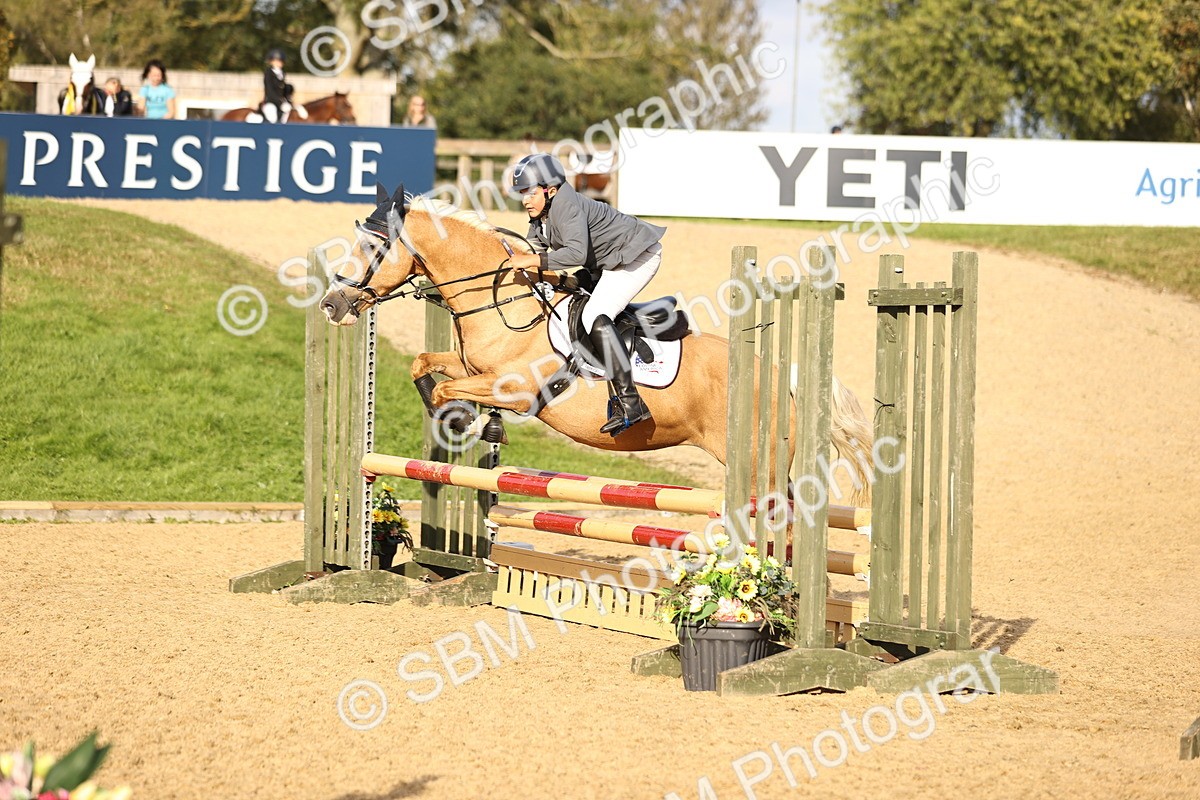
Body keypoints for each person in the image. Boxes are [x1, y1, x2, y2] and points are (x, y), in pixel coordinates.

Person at [505, 153, 666, 436]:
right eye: (522, 194)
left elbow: (575, 253)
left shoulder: (565, 205)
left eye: (530, 193)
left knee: (594, 314)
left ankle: (631, 403)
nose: (525, 200)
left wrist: (532, 262)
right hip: (606, 262)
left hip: (636, 256)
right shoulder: (540, 216)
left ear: (550, 189)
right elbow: (531, 249)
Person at [261, 48, 305, 123]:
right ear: (272, 61)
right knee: (273, 117)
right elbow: (270, 90)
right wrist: (280, 102)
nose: (279, 63)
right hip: (270, 102)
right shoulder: (268, 73)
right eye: (277, 61)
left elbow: (282, 89)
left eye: (281, 61)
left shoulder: (282, 73)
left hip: (281, 102)